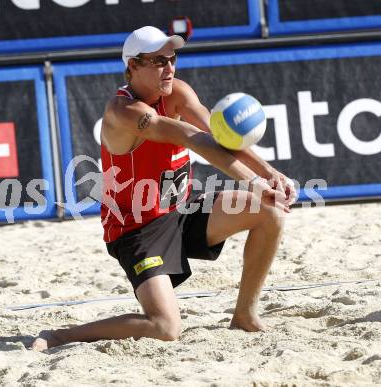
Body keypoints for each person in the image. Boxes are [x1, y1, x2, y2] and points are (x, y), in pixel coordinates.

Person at [32, 26, 296, 351]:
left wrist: (270, 174)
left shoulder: (178, 92)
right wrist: (253, 182)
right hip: (138, 230)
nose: (169, 68)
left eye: (172, 58)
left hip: (182, 210)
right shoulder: (123, 112)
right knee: (165, 327)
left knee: (270, 212)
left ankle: (244, 315)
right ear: (132, 66)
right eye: (158, 61)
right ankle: (60, 336)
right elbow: (191, 137)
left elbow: (220, 134)